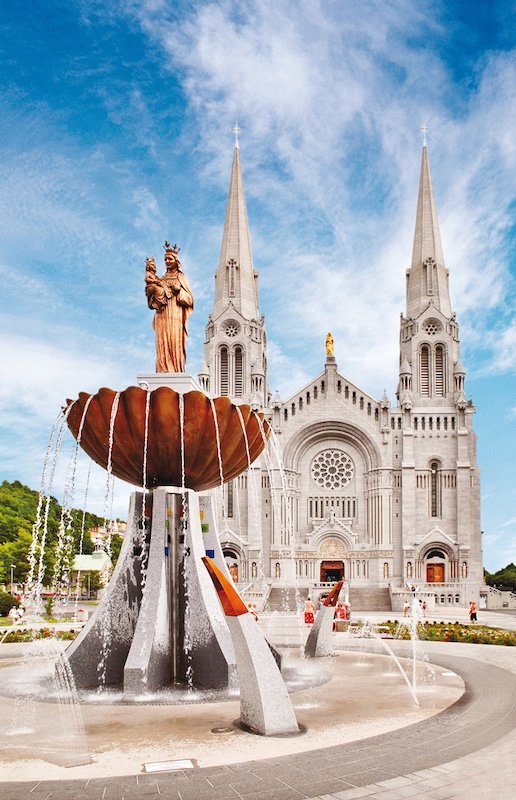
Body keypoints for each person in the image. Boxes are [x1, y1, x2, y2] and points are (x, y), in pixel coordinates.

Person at [145, 242, 194, 373]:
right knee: (162, 341)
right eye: (165, 259)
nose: (167, 261)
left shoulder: (181, 278)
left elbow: (189, 300)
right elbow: (152, 301)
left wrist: (179, 291)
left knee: (173, 340)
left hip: (175, 314)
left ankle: (175, 368)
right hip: (162, 314)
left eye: (169, 259)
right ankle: (163, 369)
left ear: (176, 261)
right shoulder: (161, 279)